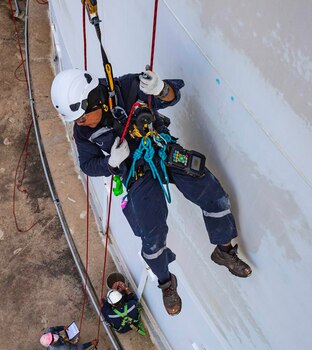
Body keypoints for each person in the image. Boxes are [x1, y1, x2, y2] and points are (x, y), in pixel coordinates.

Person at [50, 68, 252, 316]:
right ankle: (166, 282)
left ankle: (224, 251)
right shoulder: (83, 132)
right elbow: (88, 165)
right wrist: (110, 163)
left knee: (214, 196)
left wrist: (161, 89)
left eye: (81, 118)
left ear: (93, 100)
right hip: (136, 173)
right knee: (151, 238)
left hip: (161, 150)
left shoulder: (127, 88)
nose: (80, 125)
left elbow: (172, 96)